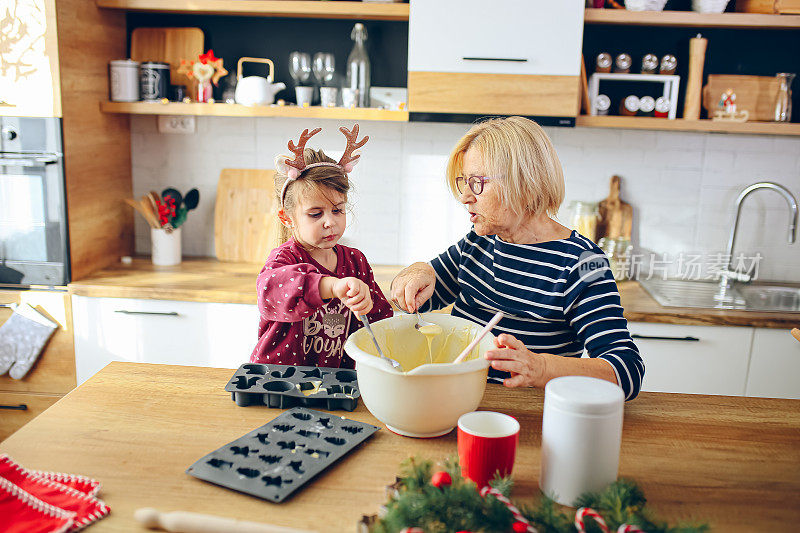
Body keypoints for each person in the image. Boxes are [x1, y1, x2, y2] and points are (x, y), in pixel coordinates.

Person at [390, 116, 644, 400]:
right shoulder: (479, 242)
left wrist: (541, 367)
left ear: (523, 182)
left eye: (476, 183)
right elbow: (428, 292)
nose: (464, 197)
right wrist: (418, 271)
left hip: (532, 418)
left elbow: (627, 371)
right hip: (456, 403)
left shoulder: (582, 263)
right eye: (463, 182)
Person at [251, 125, 393, 368]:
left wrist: (369, 307)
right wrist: (333, 286)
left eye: (337, 210)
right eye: (316, 214)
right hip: (281, 377)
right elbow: (270, 291)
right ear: (287, 218)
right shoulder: (285, 259)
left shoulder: (355, 261)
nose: (330, 222)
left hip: (335, 378)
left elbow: (379, 321)